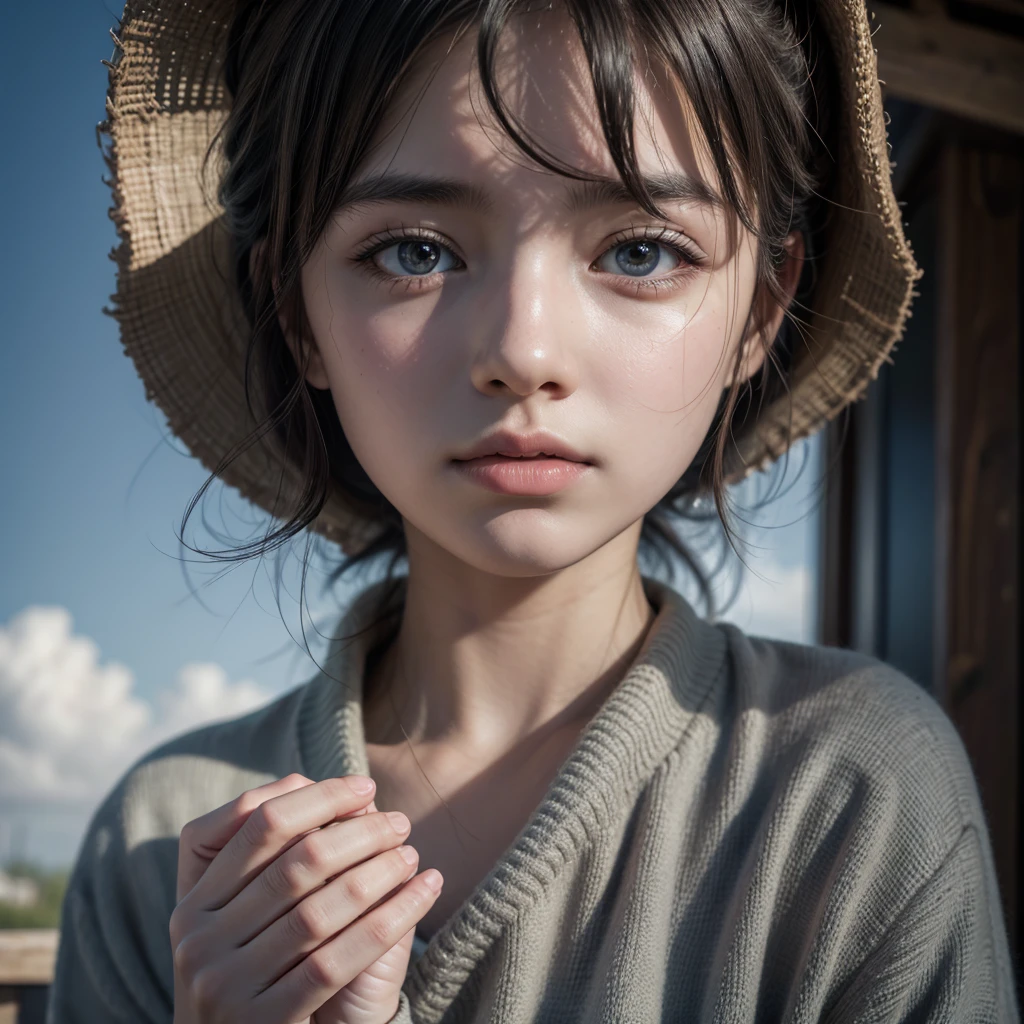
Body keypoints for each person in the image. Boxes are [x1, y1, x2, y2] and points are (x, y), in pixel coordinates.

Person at [47, 0, 1018, 1021]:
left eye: (640, 251)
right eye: (415, 251)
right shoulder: (158, 843)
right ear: (297, 315)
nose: (523, 350)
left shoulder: (848, 790)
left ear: (761, 311)